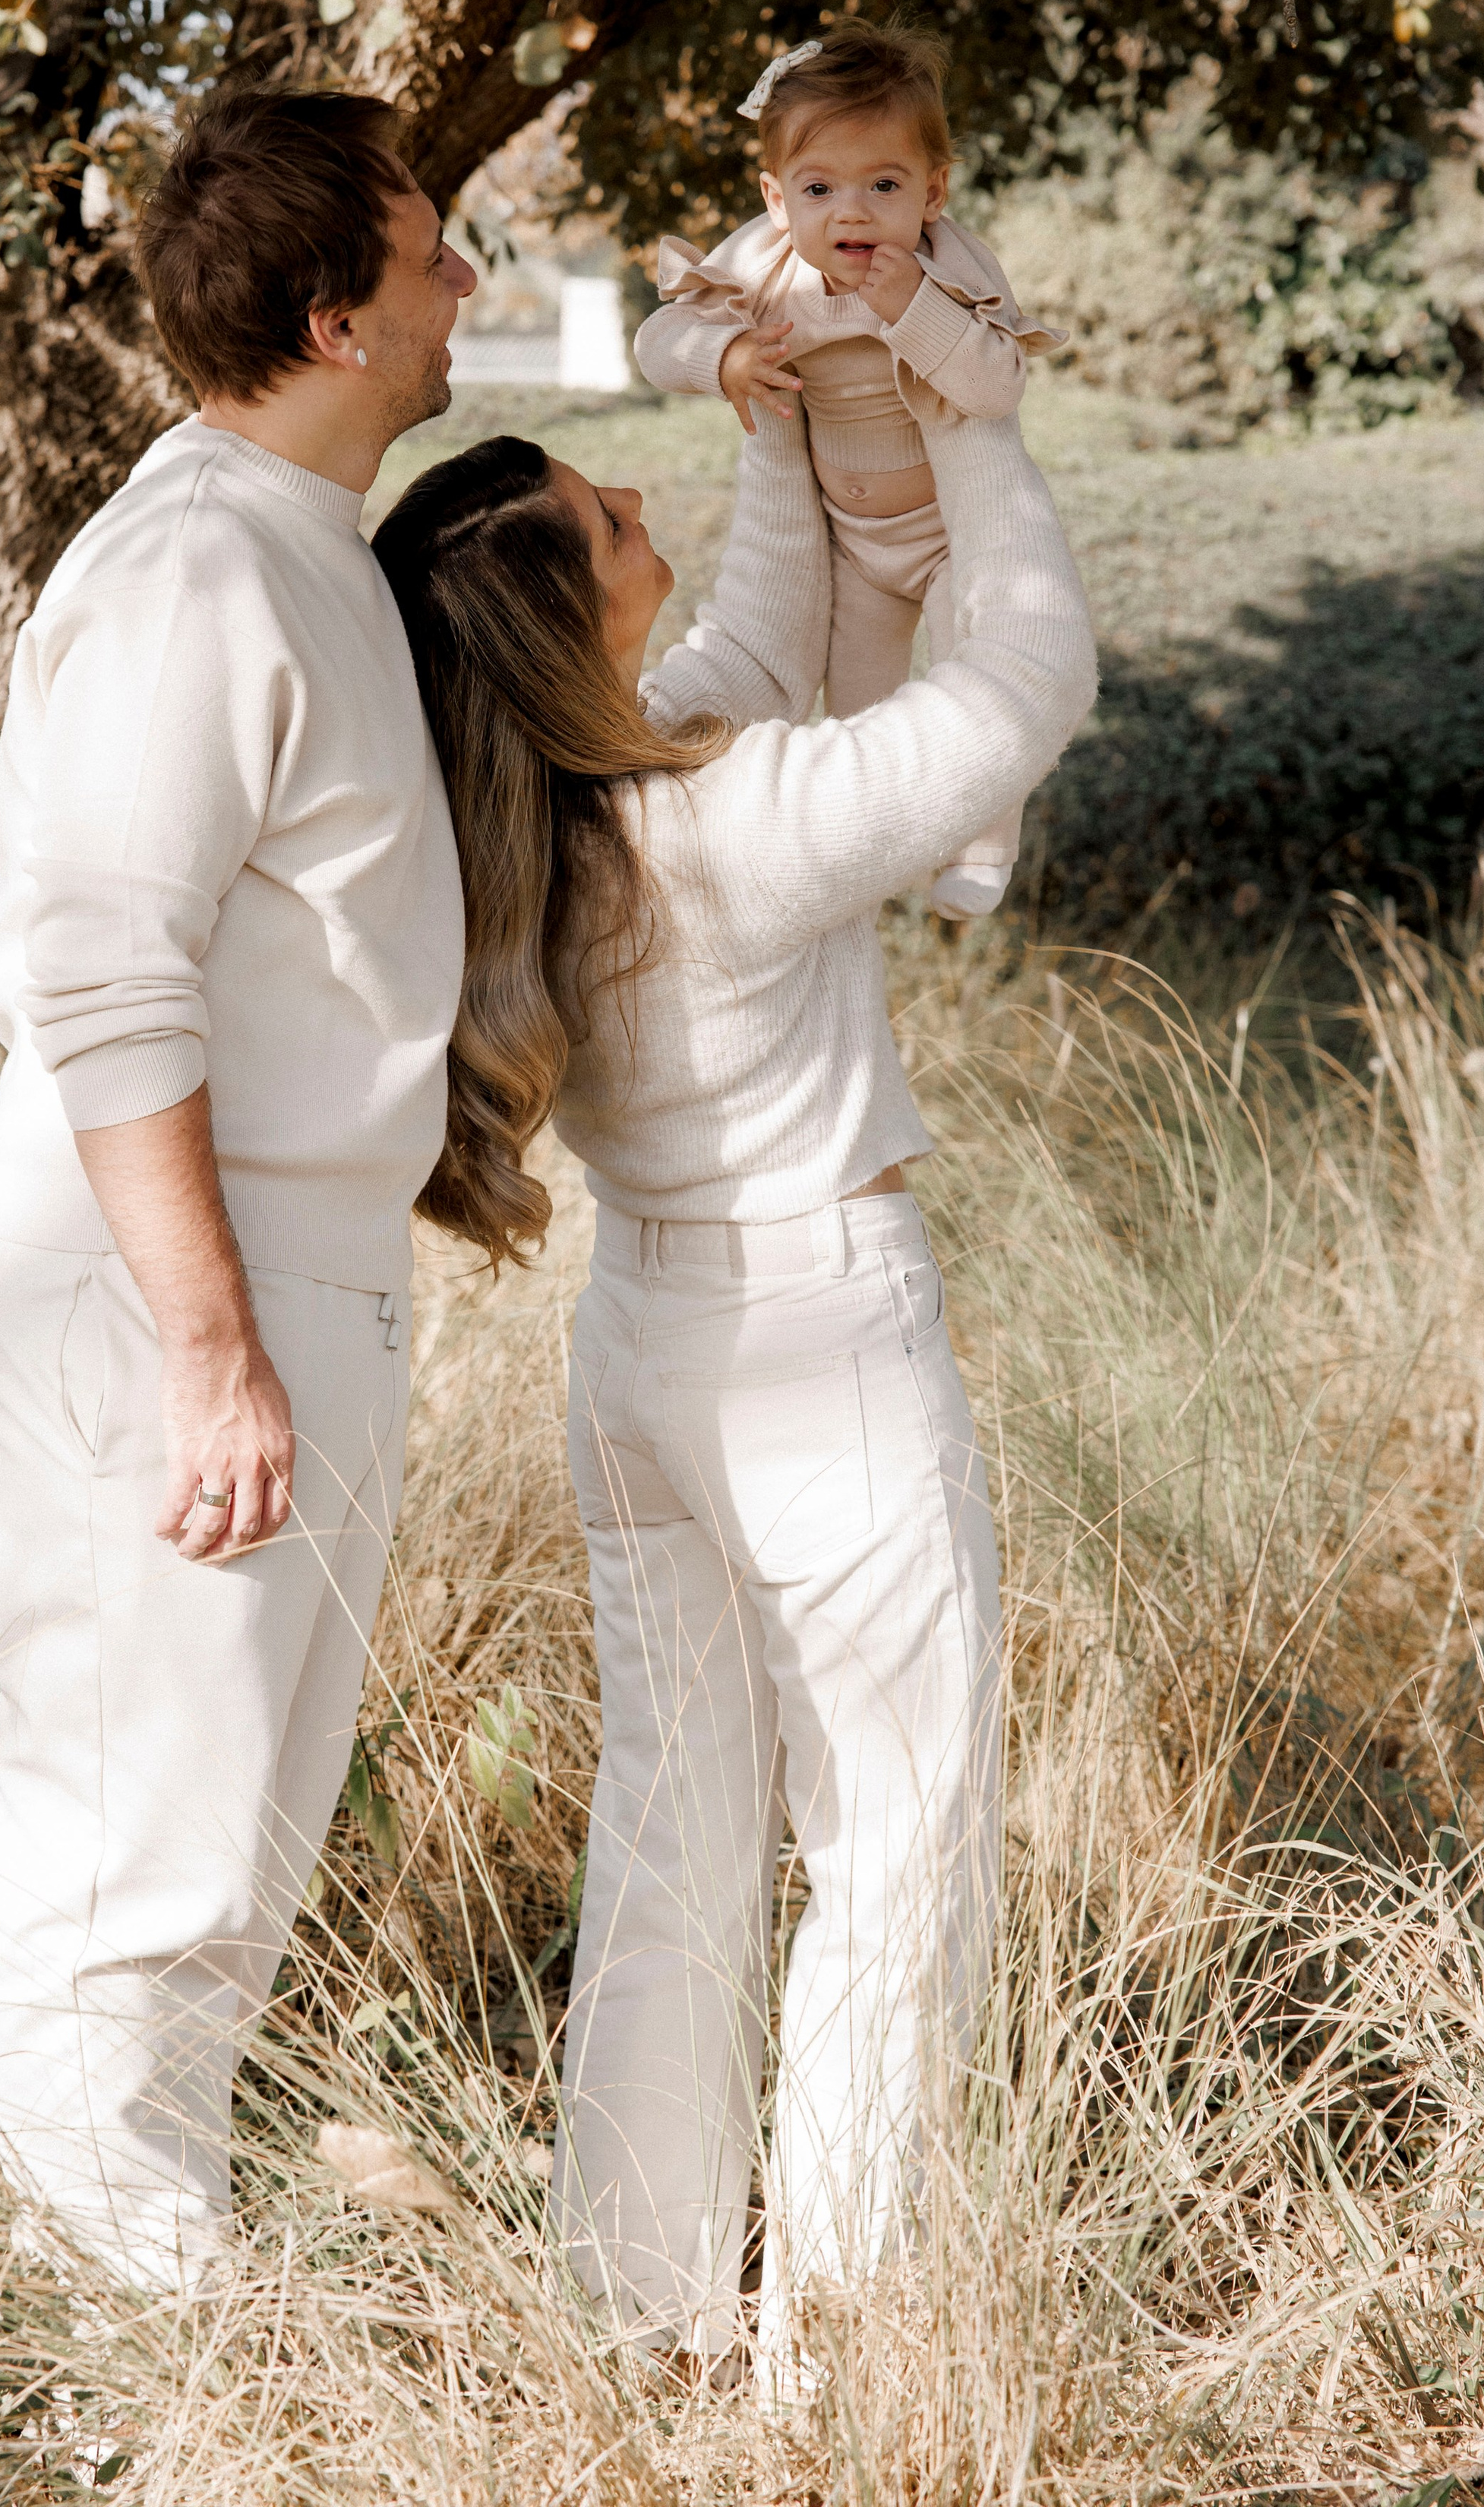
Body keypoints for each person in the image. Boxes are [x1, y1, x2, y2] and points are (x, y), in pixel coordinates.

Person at [371, 389, 1095, 2381]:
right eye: (606, 515)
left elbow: (760, 649)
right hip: (822, 1346)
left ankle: (640, 2309)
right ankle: (841, 2350)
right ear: (557, 612)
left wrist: (793, 435)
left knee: (675, 1832)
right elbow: (1031, 675)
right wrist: (976, 435)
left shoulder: (544, 823)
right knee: (897, 1845)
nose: (637, 504)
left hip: (641, 1355)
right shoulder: (733, 827)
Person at [0, 87, 474, 2289]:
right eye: (437, 253)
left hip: (264, 1272)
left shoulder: (292, 550)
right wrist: (215, 1343)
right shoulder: (189, 570)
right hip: (163, 1281)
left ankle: (161, 2286)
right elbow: (102, 974)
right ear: (337, 313)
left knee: (225, 1830)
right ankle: (138, 2349)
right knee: (137, 1839)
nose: (470, 287)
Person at [633, 19, 1067, 919]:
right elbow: (656, 341)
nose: (852, 212)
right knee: (865, 718)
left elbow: (995, 385)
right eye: (819, 187)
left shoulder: (949, 272)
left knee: (977, 666)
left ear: (933, 193)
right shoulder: (761, 267)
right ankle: (880, 863)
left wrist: (917, 310)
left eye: (884, 184)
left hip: (948, 537)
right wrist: (723, 359)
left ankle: (984, 842)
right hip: (854, 546)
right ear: (776, 197)